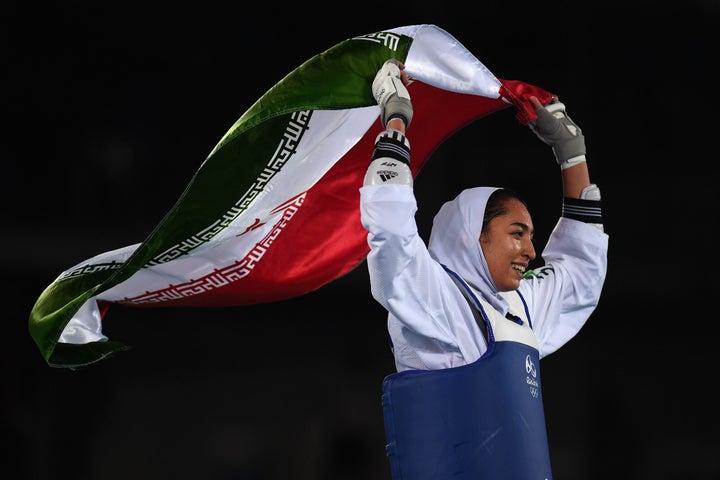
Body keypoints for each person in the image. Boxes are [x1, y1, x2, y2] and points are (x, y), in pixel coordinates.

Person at [360, 59, 608, 479]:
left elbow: (582, 272)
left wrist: (571, 151)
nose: (531, 251)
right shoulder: (437, 300)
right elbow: (390, 228)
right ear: (474, 236)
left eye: (531, 235)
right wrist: (397, 119)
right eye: (517, 233)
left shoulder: (519, 311)